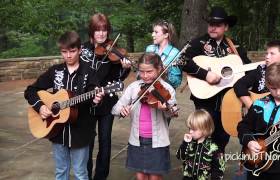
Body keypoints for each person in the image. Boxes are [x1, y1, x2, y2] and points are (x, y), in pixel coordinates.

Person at [24, 31, 104, 180]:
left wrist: (96, 99)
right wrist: (40, 106)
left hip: (81, 132)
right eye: (64, 52)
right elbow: (30, 91)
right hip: (56, 131)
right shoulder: (55, 72)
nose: (68, 56)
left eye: (72, 51)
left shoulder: (89, 72)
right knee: (61, 170)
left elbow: (94, 96)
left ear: (80, 50)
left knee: (80, 172)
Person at [182, 6, 251, 153]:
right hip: (204, 98)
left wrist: (264, 66)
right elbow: (182, 61)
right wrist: (205, 75)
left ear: (226, 27)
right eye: (210, 24)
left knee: (222, 136)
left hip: (228, 99)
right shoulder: (197, 43)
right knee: (201, 133)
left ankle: (216, 169)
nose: (213, 28)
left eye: (217, 25)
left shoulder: (235, 47)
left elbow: (247, 68)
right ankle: (198, 167)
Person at [80, 13, 131, 180]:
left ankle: (101, 176)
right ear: (92, 31)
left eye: (104, 30)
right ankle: (85, 175)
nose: (101, 34)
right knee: (87, 142)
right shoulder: (83, 49)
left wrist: (124, 68)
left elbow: (118, 79)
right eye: (97, 30)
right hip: (87, 101)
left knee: (105, 141)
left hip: (107, 102)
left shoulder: (113, 50)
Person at [112, 52, 177, 180]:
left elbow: (173, 112)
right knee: (140, 176)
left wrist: (165, 108)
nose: (145, 76)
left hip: (157, 142)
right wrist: (122, 110)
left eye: (149, 72)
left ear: (159, 69)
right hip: (137, 140)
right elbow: (115, 108)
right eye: (142, 72)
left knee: (154, 177)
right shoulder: (134, 87)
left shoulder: (167, 89)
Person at [176, 109, 225, 180]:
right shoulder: (188, 143)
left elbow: (218, 169)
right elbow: (180, 156)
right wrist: (185, 143)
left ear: (205, 129)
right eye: (189, 128)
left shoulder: (214, 148)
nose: (190, 131)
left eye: (194, 129)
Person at [145, 20, 182, 89]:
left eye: (156, 32)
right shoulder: (149, 49)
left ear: (166, 35)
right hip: (147, 89)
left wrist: (166, 74)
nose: (152, 34)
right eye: (153, 32)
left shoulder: (174, 53)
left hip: (165, 92)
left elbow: (177, 82)